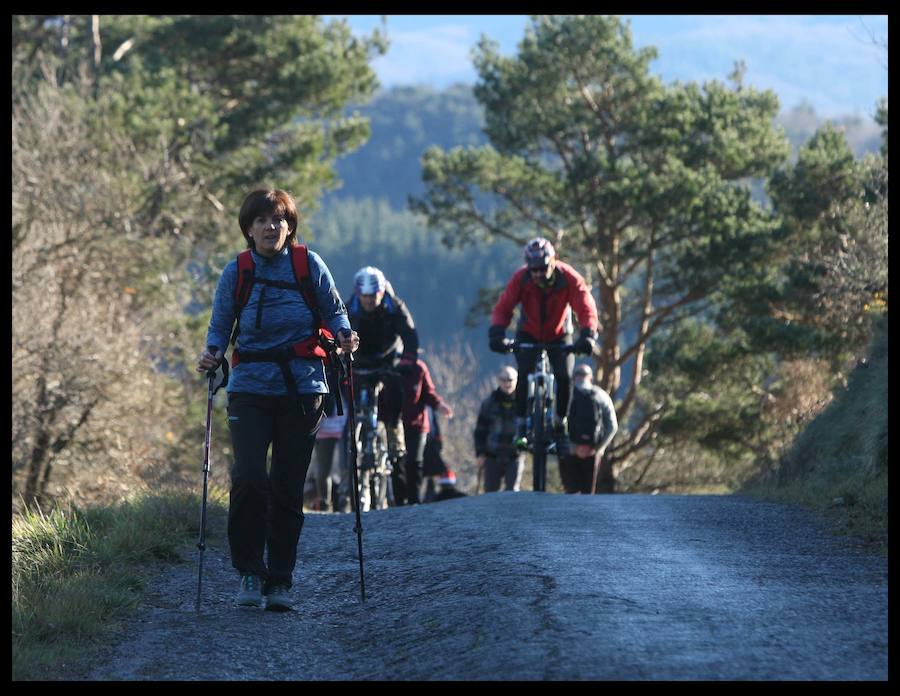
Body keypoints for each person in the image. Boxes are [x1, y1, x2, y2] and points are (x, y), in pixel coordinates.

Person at [197, 188, 358, 612]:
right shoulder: (239, 270)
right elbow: (220, 324)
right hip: (250, 387)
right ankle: (250, 571)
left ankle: (280, 579)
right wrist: (213, 352)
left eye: (280, 220)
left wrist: (344, 335)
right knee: (249, 477)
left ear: (290, 226)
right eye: (263, 221)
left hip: (304, 389)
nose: (272, 227)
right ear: (249, 229)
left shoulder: (308, 264)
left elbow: (334, 309)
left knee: (287, 487)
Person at [489, 237, 600, 456]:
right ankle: (521, 425)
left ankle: (560, 423)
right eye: (534, 269)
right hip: (528, 332)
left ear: (553, 262)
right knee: (523, 374)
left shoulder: (568, 277)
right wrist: (497, 334)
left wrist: (587, 335)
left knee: (563, 377)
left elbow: (585, 306)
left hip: (559, 334)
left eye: (542, 268)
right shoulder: (521, 279)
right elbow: (503, 308)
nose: (538, 274)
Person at [345, 266, 420, 491]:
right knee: (349, 393)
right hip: (360, 361)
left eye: (373, 296)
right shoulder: (350, 309)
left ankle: (395, 430)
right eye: (365, 296)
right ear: (359, 294)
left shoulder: (394, 306)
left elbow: (410, 335)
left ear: (381, 292)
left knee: (394, 389)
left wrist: (408, 358)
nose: (369, 301)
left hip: (388, 358)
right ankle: (352, 440)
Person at [395, 357, 454, 505]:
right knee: (397, 462)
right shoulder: (389, 365)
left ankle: (414, 500)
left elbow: (428, 392)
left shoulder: (419, 368)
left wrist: (439, 405)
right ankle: (399, 501)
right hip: (395, 423)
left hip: (417, 423)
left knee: (414, 462)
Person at [561, 364, 618, 494]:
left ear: (574, 378)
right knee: (588, 496)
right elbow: (612, 426)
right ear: (590, 378)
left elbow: (558, 423)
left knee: (571, 493)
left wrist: (572, 447)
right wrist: (598, 448)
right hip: (593, 451)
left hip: (570, 452)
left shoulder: (567, 396)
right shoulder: (601, 395)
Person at [474, 366, 525, 492]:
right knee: (490, 493)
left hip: (515, 455)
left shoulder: (524, 403)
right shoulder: (489, 403)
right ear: (498, 380)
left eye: (510, 379)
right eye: (503, 379)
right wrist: (480, 452)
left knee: (512, 493)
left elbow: (528, 428)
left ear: (517, 380)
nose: (507, 383)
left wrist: (523, 445)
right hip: (492, 456)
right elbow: (480, 430)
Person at [308, 392, 347, 512]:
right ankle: (325, 503)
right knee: (324, 470)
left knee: (341, 469)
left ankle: (340, 504)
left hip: (341, 428)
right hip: (326, 430)